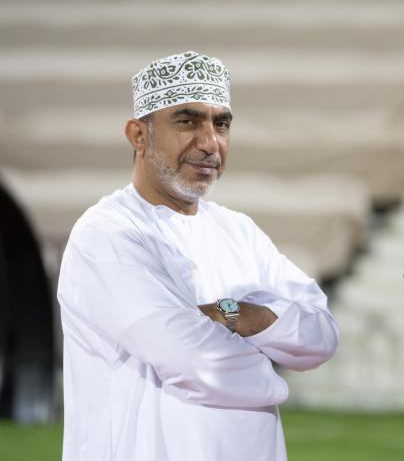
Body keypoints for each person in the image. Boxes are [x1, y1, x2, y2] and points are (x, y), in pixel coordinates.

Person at [57, 51, 339, 461]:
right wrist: (272, 365)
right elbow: (195, 361)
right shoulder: (106, 234)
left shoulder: (238, 231)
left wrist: (237, 314)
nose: (209, 143)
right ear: (139, 135)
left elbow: (322, 335)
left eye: (221, 124)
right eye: (187, 122)